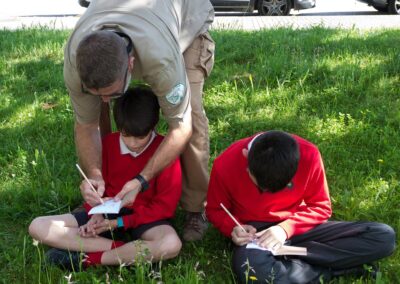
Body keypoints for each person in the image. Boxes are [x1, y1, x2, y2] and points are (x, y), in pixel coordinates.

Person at [64, 0, 215, 241]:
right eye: (97, 93)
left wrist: (141, 180)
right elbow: (86, 125)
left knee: (192, 114)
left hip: (184, 23)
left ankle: (195, 209)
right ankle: (102, 196)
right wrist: (94, 175)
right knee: (96, 111)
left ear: (131, 66)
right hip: (135, 23)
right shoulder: (75, 62)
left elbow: (180, 126)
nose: (105, 100)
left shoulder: (162, 60)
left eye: (112, 93)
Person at [206, 130, 396, 283]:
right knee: (251, 270)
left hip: (298, 226)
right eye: (260, 187)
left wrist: (284, 229)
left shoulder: (309, 155)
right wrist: (233, 227)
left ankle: (294, 266)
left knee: (383, 237)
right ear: (246, 157)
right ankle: (340, 268)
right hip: (256, 235)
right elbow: (215, 209)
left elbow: (321, 206)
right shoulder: (225, 164)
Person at [29, 87, 182, 270]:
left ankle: (89, 259)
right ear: (119, 127)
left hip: (146, 216)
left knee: (172, 243)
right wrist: (97, 212)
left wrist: (119, 223)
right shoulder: (108, 143)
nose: (133, 144)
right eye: (126, 135)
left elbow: (164, 207)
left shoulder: (164, 152)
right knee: (38, 226)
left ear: (153, 126)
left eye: (141, 137)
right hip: (109, 210)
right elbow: (101, 190)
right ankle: (129, 253)